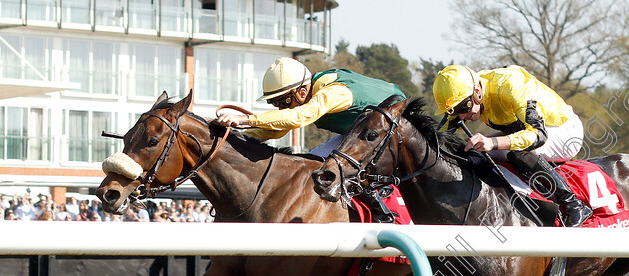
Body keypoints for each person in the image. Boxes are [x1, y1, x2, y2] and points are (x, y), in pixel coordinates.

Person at [213, 57, 406, 222]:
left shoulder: (334, 93)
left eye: (283, 102)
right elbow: (279, 129)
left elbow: (297, 117)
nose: (280, 108)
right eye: (275, 103)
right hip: (362, 133)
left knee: (329, 166)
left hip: (393, 130)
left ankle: (381, 209)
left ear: (302, 92)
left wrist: (246, 119)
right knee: (312, 162)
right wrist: (237, 137)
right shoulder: (314, 92)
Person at [432, 64, 593, 227]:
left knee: (515, 150)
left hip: (562, 130)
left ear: (477, 91)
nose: (462, 115)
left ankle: (573, 203)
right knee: (472, 151)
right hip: (524, 130)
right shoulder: (465, 95)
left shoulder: (511, 86)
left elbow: (538, 135)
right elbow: (439, 139)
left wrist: (493, 143)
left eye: (464, 107)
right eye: (454, 111)